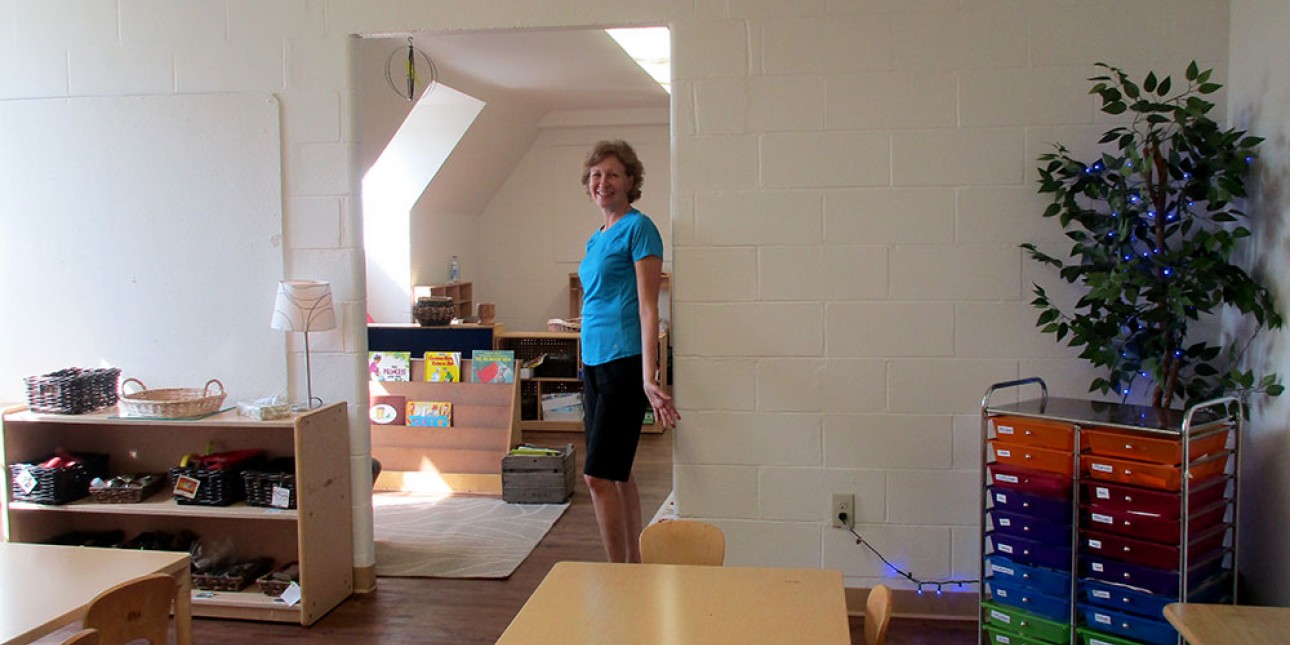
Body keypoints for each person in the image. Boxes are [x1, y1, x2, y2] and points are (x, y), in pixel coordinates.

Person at [577, 139, 680, 563]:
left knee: (596, 476)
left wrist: (648, 376)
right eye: (597, 175)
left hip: (623, 364)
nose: (603, 182)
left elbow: (649, 306)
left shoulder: (640, 229)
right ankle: (635, 565)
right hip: (594, 364)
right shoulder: (595, 238)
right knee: (618, 475)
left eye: (613, 174)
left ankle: (618, 572)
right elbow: (597, 299)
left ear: (631, 181)